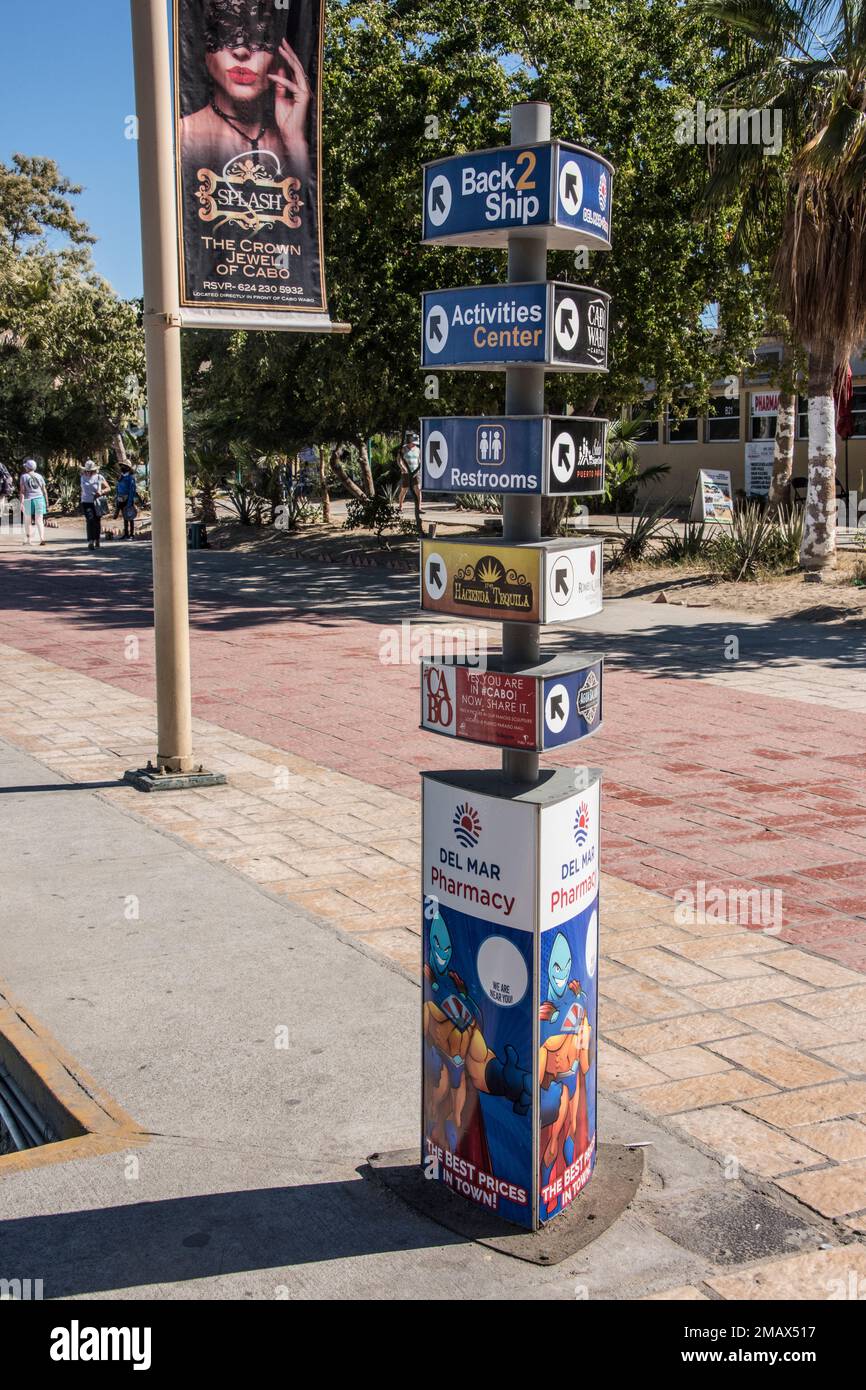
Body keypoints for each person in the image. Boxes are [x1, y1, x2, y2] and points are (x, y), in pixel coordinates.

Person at [181, 0, 311, 180]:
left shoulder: (292, 140)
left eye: (261, 35)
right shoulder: (180, 137)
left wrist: (295, 142)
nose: (242, 52)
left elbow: (305, 203)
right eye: (225, 30)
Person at [80, 460, 110, 551]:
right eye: (87, 470)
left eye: (90, 470)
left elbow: (108, 488)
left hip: (97, 502)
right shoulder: (82, 477)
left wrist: (101, 492)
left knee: (97, 521)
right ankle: (90, 541)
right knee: (90, 520)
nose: (88, 472)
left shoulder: (99, 477)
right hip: (86, 502)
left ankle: (97, 538)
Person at [19, 459, 49, 547]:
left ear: (27, 467)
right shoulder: (40, 476)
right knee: (39, 520)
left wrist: (21, 502)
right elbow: (44, 490)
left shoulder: (23, 477)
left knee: (27, 520)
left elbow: (22, 491)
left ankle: (29, 540)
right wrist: (46, 501)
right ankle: (42, 538)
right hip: (39, 499)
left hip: (28, 500)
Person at [397, 431, 421, 516]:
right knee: (404, 490)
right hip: (406, 473)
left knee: (418, 489)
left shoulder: (418, 449)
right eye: (413, 442)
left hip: (415, 472)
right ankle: (400, 507)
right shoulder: (403, 449)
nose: (414, 444)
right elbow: (399, 460)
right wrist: (402, 467)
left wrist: (419, 468)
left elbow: (419, 460)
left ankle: (419, 507)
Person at [114, 463, 139, 539]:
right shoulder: (121, 477)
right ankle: (126, 533)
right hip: (120, 499)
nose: (121, 468)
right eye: (121, 466)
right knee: (124, 517)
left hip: (128, 499)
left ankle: (131, 534)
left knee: (130, 516)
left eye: (123, 467)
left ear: (127, 468)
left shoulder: (130, 478)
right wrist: (117, 498)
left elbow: (132, 490)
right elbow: (118, 488)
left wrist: (130, 502)